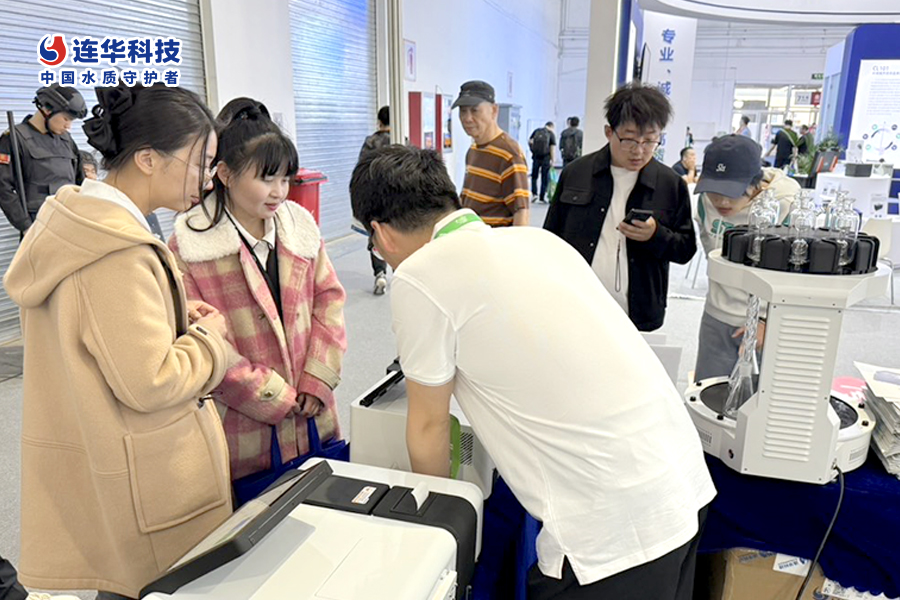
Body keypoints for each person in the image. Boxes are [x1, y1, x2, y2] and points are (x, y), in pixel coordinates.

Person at [350, 145, 716, 600]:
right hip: (682, 484)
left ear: (380, 234)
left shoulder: (420, 275)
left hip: (610, 532)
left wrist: (438, 534)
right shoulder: (538, 242)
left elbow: (428, 426)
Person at [3, 82, 233, 599]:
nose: (207, 178)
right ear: (148, 159)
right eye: (200, 162)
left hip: (107, 461)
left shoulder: (80, 224)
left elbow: (99, 337)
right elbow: (151, 381)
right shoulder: (115, 251)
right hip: (145, 486)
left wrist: (173, 315)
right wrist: (210, 340)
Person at [169, 99, 347, 505]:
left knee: (324, 510)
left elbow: (330, 300)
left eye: (285, 178)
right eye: (267, 178)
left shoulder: (299, 228)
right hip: (243, 430)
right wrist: (269, 394)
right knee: (255, 523)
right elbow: (199, 340)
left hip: (313, 414)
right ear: (225, 174)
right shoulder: (189, 246)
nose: (279, 191)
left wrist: (318, 377)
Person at [544, 83, 697, 332]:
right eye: (629, 139)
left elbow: (686, 249)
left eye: (650, 140)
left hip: (637, 313)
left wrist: (656, 235)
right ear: (609, 132)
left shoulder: (670, 184)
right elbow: (551, 239)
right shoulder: (576, 173)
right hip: (577, 305)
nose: (639, 150)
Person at [693, 135, 799, 381]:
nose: (722, 201)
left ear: (755, 183)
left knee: (759, 396)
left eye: (732, 192)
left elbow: (798, 276)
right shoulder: (705, 203)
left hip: (767, 322)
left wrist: (767, 320)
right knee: (709, 391)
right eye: (714, 191)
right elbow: (712, 256)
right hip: (716, 316)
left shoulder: (785, 207)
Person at [0, 84, 87, 236]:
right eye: (66, 119)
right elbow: (3, 187)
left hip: (70, 219)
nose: (68, 126)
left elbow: (80, 179)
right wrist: (25, 225)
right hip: (39, 223)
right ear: (47, 110)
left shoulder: (66, 139)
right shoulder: (15, 138)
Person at [453, 80, 529, 227]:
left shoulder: (509, 155)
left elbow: (521, 212)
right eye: (463, 111)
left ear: (494, 111)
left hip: (495, 239)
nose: (467, 118)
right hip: (472, 236)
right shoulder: (473, 150)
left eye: (475, 110)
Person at [358, 106, 392, 294]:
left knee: (376, 234)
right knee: (400, 231)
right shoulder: (401, 139)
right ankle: (401, 273)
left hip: (375, 196)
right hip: (398, 195)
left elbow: (361, 170)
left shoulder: (370, 142)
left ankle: (380, 274)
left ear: (379, 121)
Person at [528, 121, 556, 204]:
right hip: (546, 158)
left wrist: (532, 151)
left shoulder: (536, 131)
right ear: (551, 126)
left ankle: (534, 194)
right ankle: (542, 196)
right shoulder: (551, 134)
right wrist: (553, 160)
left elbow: (530, 141)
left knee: (534, 176)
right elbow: (552, 148)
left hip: (536, 157)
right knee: (544, 177)